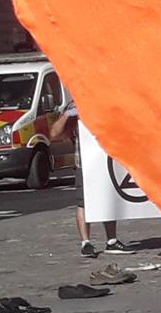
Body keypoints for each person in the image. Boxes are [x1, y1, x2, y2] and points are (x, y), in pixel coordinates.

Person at [47, 100, 127, 256]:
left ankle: (112, 240)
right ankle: (86, 242)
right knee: (83, 202)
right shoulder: (74, 104)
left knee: (107, 199)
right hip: (84, 162)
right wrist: (67, 116)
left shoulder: (103, 101)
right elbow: (54, 134)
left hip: (104, 161)